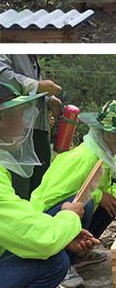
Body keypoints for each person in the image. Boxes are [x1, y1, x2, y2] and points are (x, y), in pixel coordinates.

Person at [0, 81, 99, 288]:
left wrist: (64, 232)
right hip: (46, 224)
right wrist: (67, 222)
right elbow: (39, 234)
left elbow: (17, 217)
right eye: (19, 113)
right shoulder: (81, 158)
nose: (25, 120)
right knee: (53, 260)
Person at [30, 100, 116, 288]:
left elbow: (107, 187)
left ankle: (80, 253)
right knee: (85, 204)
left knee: (109, 205)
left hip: (61, 217)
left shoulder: (101, 156)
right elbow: (51, 199)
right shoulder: (83, 158)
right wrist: (98, 197)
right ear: (109, 135)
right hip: (44, 220)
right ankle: (63, 262)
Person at [0, 55, 63, 199]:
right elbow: (3, 76)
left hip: (38, 130)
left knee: (39, 189)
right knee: (18, 188)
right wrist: (38, 86)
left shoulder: (32, 57)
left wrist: (49, 99)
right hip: (14, 133)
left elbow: (29, 84)